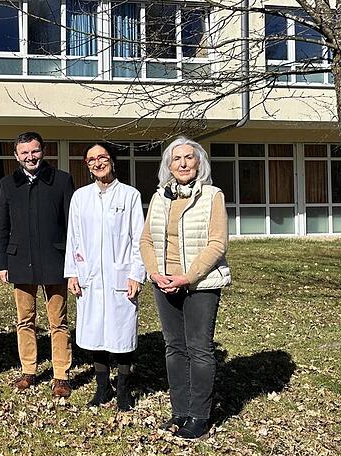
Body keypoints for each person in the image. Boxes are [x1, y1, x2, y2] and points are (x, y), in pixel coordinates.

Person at [140, 137, 231, 439]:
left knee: (199, 348)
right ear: (168, 166)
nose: (182, 164)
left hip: (200, 284)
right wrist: (155, 273)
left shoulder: (212, 196)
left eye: (188, 158)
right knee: (174, 347)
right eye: (176, 159)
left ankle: (199, 416)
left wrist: (188, 277)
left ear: (199, 162)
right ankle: (179, 411)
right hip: (164, 283)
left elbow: (217, 243)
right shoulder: (159, 197)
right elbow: (146, 240)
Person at [64, 143, 145, 411]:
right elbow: (73, 238)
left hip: (120, 276)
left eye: (102, 157)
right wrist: (72, 273)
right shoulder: (80, 197)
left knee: (122, 333)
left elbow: (139, 238)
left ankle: (123, 389)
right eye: (91, 160)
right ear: (87, 166)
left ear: (112, 160)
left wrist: (136, 274)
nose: (98, 163)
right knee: (94, 332)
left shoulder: (129, 195)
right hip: (89, 276)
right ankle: (102, 387)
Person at [0, 131, 75, 398]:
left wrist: (73, 261)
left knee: (58, 321)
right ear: (16, 156)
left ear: (43, 151)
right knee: (24, 320)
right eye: (25, 152)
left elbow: (72, 225)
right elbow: (3, 226)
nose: (31, 157)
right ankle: (28, 370)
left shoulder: (62, 180)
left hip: (55, 260)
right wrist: (2, 263)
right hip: (20, 260)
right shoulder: (8, 184)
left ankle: (61, 374)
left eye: (35, 151)